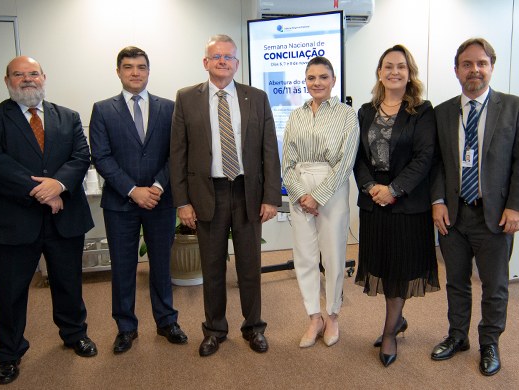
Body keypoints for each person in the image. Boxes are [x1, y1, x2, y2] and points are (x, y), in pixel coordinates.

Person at [0, 56, 97, 385]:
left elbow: (81, 157)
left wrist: (59, 185)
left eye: (33, 73)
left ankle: (74, 334)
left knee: (69, 283)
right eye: (19, 74)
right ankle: (9, 353)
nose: (27, 79)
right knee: (10, 292)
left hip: (64, 218)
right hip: (11, 223)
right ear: (7, 81)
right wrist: (42, 191)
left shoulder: (68, 116)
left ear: (44, 77)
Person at [169, 34, 281, 357]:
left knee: (250, 265)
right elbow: (178, 153)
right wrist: (182, 202)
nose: (222, 61)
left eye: (228, 57)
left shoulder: (256, 98)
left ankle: (254, 327)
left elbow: (269, 150)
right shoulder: (186, 98)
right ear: (205, 62)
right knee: (212, 266)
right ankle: (215, 329)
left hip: (247, 192)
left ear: (236, 63)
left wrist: (271, 196)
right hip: (208, 193)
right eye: (216, 56)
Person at [429, 38, 519, 376]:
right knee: (456, 281)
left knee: (495, 285)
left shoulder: (515, 107)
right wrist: (437, 201)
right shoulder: (442, 112)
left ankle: (490, 342)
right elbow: (436, 163)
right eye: (467, 64)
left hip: (495, 215)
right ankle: (457, 336)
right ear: (456, 70)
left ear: (491, 67)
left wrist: (516, 206)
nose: (474, 70)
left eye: (481, 63)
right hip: (454, 214)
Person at [89, 46, 187, 355]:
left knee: (161, 264)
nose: (135, 72)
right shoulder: (102, 110)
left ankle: (167, 321)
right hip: (120, 203)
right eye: (128, 67)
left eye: (141, 67)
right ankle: (126, 327)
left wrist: (156, 186)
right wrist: (133, 190)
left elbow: (176, 153)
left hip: (160, 200)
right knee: (123, 267)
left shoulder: (169, 108)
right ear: (118, 72)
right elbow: (101, 157)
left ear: (148, 71)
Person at [353, 45, 440, 367]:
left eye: (401, 66)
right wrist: (370, 187)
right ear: (379, 73)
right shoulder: (365, 111)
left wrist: (394, 190)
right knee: (384, 266)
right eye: (388, 66)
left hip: (406, 204)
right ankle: (397, 320)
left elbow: (424, 158)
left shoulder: (422, 111)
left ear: (409, 73)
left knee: (400, 269)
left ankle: (389, 332)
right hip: (374, 202)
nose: (394, 72)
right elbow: (357, 157)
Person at [281, 57, 359, 348]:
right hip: (300, 189)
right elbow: (287, 162)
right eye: (311, 78)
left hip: (332, 188)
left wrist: (318, 196)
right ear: (305, 81)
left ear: (333, 80)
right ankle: (314, 316)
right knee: (304, 256)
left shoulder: (347, 115)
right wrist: (302, 194)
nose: (317, 83)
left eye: (323, 77)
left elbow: (346, 161)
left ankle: (333, 315)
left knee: (333, 255)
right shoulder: (295, 115)